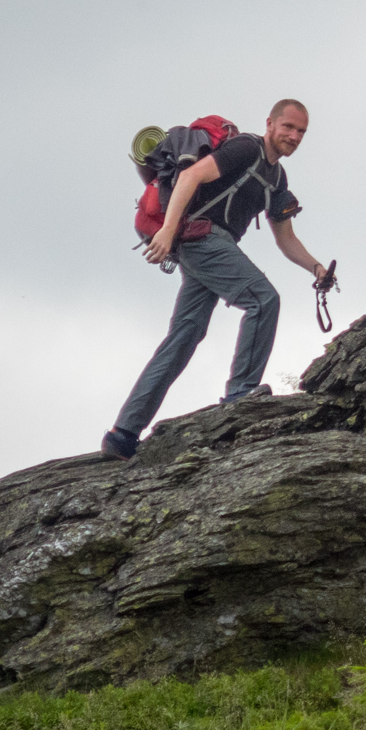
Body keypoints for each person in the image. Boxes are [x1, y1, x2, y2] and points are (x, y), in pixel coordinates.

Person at [101, 100, 329, 460]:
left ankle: (123, 434)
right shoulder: (245, 149)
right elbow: (192, 176)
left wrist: (316, 268)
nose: (294, 136)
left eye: (301, 131)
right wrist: (168, 231)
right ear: (270, 123)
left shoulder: (277, 179)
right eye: (288, 127)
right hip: (201, 238)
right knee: (263, 299)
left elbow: (285, 238)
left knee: (184, 336)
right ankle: (240, 392)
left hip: (206, 246)